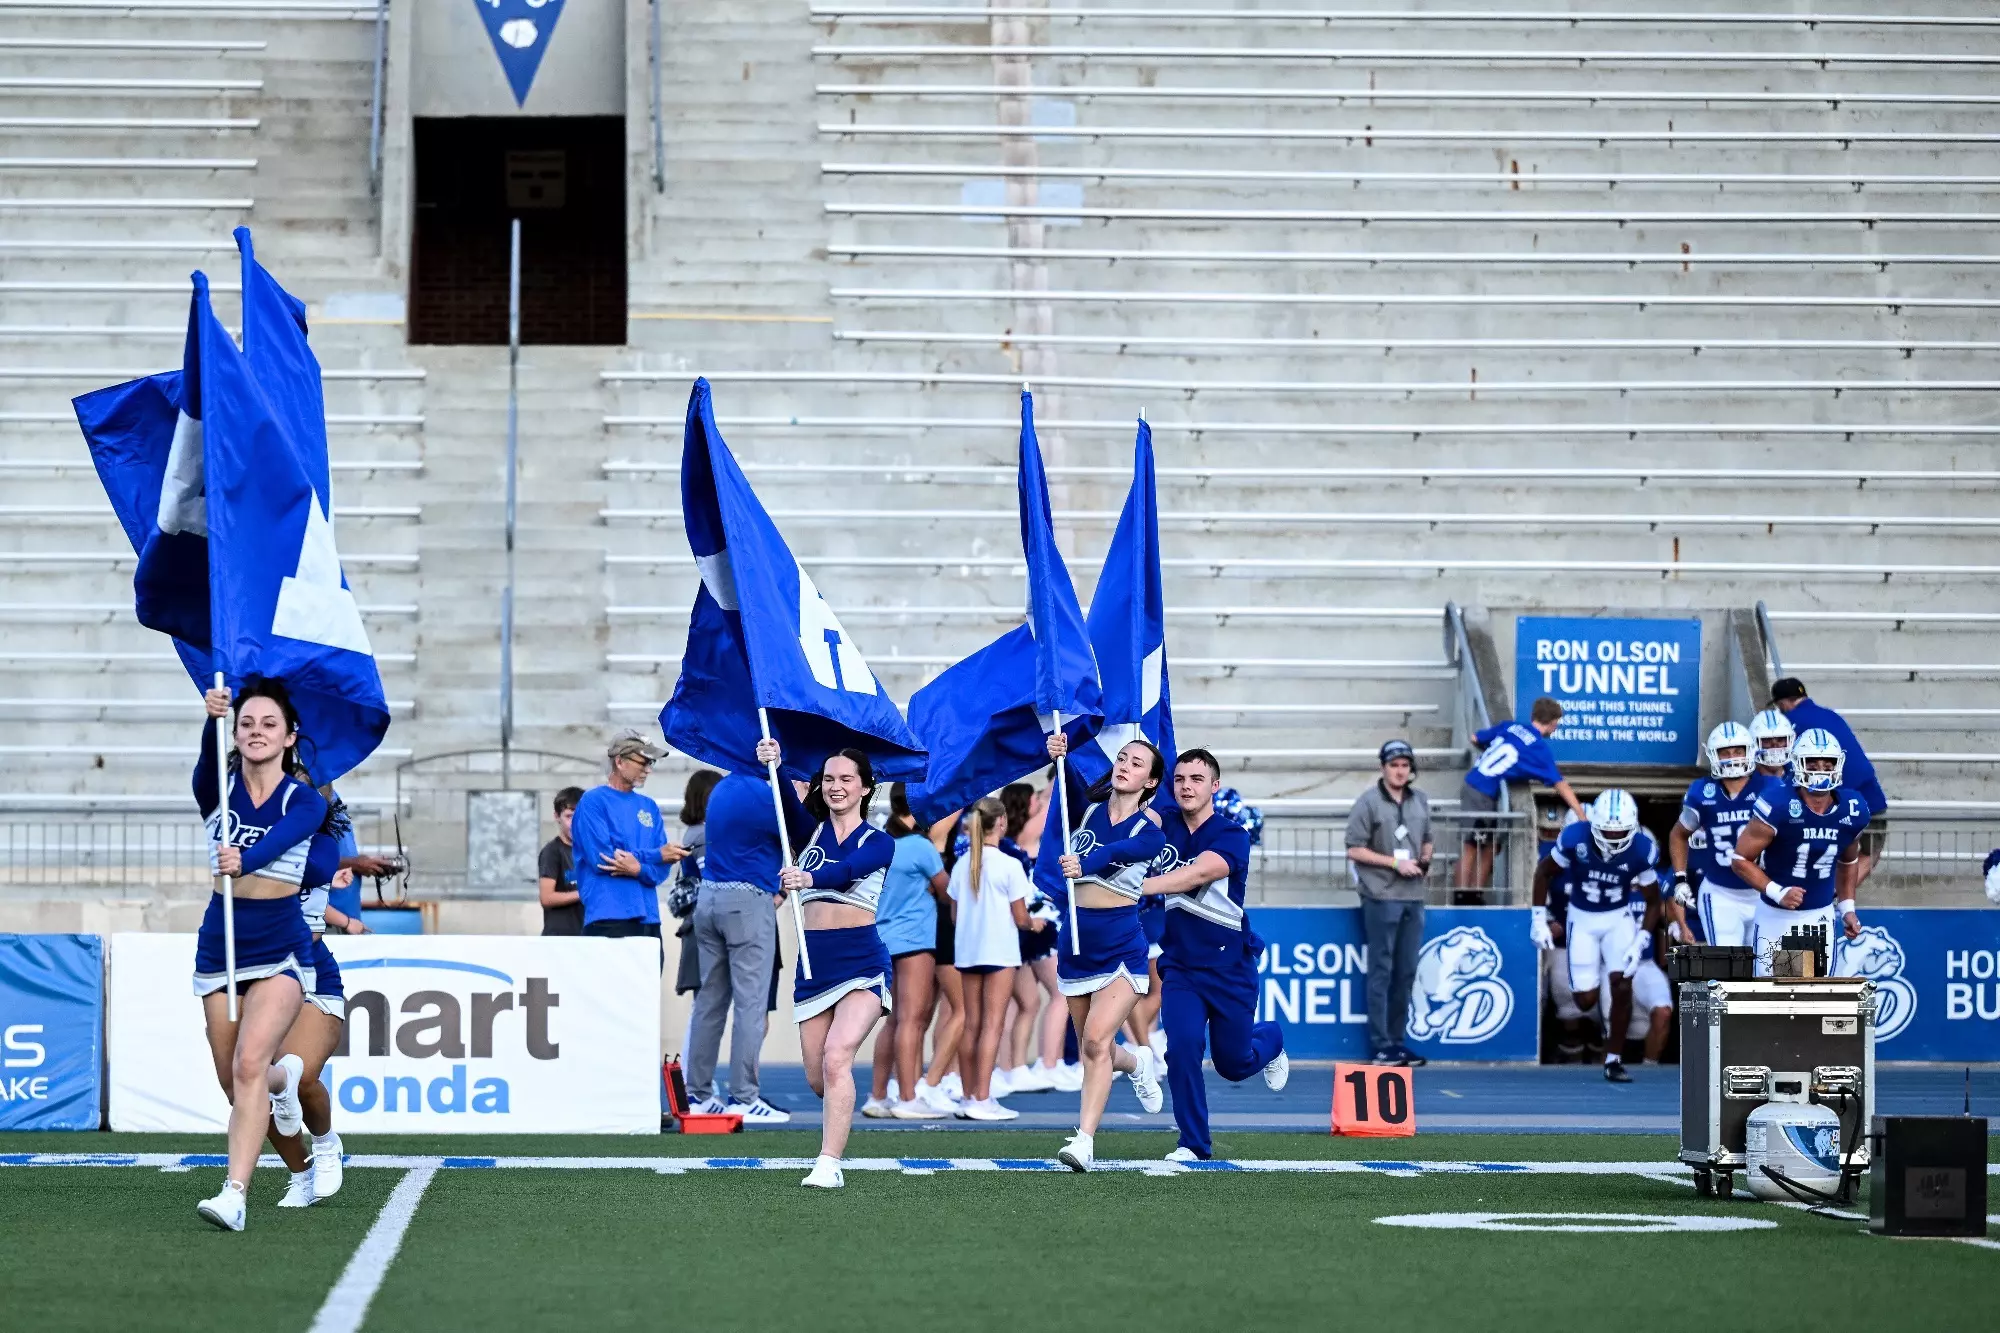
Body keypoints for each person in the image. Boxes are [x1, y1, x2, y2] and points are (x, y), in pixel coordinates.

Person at [191, 680, 328, 1232]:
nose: (256, 732)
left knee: (247, 1064)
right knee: (236, 1079)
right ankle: (285, 1096)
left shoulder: (306, 799)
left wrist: (243, 859)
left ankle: (234, 1194)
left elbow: (283, 838)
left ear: (290, 736)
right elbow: (205, 762)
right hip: (220, 942)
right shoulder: (216, 789)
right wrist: (211, 718)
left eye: (269, 724)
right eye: (246, 723)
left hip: (280, 944)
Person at [1142, 748, 1288, 1162]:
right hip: (1181, 967)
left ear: (1214, 786)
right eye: (1180, 779)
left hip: (1229, 968)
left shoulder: (1232, 834)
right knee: (1182, 1046)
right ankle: (1193, 1143)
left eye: (1197, 779)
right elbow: (1123, 815)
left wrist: (1140, 888)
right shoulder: (1163, 823)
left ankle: (1272, 1041)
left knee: (1234, 1063)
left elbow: (1198, 873)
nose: (1187, 786)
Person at [1041, 732, 1168, 1173]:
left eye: (1137, 763)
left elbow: (1122, 851)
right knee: (1093, 1047)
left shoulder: (1149, 830)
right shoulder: (1089, 810)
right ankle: (1136, 1063)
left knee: (1095, 1041)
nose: (1125, 766)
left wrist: (1087, 864)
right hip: (1076, 942)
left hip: (1119, 945)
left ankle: (1084, 1140)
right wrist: (1056, 755)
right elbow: (1062, 788)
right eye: (1122, 758)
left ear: (1150, 782)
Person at [772, 744, 896, 1189]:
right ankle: (840, 1114)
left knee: (837, 1055)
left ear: (865, 788)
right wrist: (776, 760)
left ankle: (828, 1163)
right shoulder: (806, 832)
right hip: (813, 966)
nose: (836, 786)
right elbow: (781, 794)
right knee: (820, 1077)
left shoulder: (879, 841)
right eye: (829, 779)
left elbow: (848, 871)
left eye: (846, 779)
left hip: (862, 961)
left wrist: (808, 878)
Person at [685, 745, 814, 1124]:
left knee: (710, 1001)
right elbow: (807, 835)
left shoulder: (724, 787)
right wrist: (797, 794)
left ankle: (699, 1094)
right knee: (751, 1005)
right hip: (746, 900)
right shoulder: (770, 793)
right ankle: (743, 1095)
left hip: (709, 898)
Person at [1530, 788, 1660, 1084]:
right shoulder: (1575, 838)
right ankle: (1600, 972)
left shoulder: (1641, 849)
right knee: (1585, 1000)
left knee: (1622, 985)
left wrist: (1641, 939)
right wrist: (1538, 919)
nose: (1613, 839)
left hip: (1618, 918)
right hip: (1583, 919)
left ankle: (1613, 1059)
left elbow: (1654, 902)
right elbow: (1543, 873)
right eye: (1607, 832)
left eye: (1620, 833)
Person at [1730, 728, 1869, 972]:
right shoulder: (1779, 803)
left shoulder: (1852, 808)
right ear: (1798, 764)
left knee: (1809, 1000)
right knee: (1776, 1000)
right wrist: (1777, 891)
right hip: (1778, 915)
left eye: (1828, 763)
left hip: (1818, 915)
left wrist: (1847, 908)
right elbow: (1741, 859)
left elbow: (1848, 860)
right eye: (1813, 763)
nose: (1821, 770)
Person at [949, 795, 1044, 1121]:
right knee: (992, 1024)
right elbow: (1021, 918)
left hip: (967, 951)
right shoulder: (1009, 864)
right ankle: (983, 1098)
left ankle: (968, 1095)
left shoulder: (963, 864)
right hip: (999, 951)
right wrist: (1036, 923)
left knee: (971, 1024)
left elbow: (954, 914)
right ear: (1000, 823)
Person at [1345, 739, 1435, 1066]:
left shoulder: (1420, 800)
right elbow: (1354, 848)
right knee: (1382, 969)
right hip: (1381, 895)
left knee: (1407, 971)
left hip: (1414, 895)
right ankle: (1380, 1044)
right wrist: (1394, 863)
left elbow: (1427, 840)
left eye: (1405, 765)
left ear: (1411, 769)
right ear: (1383, 767)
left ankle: (1397, 1042)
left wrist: (1424, 859)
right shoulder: (1368, 802)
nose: (1400, 771)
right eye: (1394, 765)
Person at [864, 785, 951, 1119]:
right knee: (913, 1021)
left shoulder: (884, 843)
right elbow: (946, 890)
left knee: (893, 1021)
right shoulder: (919, 846)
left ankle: (877, 1095)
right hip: (915, 939)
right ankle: (908, 1097)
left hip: (883, 937)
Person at [571, 731, 688, 949]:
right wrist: (654, 856)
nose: (648, 770)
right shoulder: (593, 801)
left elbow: (661, 870)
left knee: (650, 983)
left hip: (649, 917)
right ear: (620, 761)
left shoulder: (649, 806)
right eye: (643, 762)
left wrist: (638, 869)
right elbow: (602, 858)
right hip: (608, 915)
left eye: (651, 763)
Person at [1459, 697, 1585, 892]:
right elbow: (1560, 784)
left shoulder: (1511, 726)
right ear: (1552, 722)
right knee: (1472, 847)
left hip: (1473, 782)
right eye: (1557, 724)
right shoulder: (1537, 748)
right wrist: (1581, 814)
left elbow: (1475, 738)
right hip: (1482, 792)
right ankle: (1465, 899)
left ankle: (1471, 897)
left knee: (1490, 846)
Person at [1771, 678, 1889, 885]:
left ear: (1782, 704)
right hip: (1870, 798)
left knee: (1820, 855)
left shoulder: (1788, 723)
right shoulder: (1831, 715)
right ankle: (1838, 897)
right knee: (1870, 853)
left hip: (1827, 802)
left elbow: (1788, 766)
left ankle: (1827, 896)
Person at [1668, 722, 1773, 950]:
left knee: (1769, 970)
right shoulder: (1702, 791)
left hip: (1766, 892)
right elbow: (1679, 834)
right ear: (1713, 755)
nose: (1732, 757)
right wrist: (1680, 879)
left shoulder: (1772, 788)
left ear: (1750, 751)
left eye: (1738, 751)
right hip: (1721, 894)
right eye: (1725, 752)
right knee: (1730, 971)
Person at [997, 781, 1061, 1095]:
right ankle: (1045, 1064)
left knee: (1023, 1002)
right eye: (1034, 798)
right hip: (1033, 925)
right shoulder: (1027, 833)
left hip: (1019, 925)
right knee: (1056, 993)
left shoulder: (1008, 835)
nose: (1040, 801)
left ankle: (1011, 1068)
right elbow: (1054, 806)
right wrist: (1061, 765)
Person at [670, 770, 721, 1007]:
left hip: (697, 923)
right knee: (707, 1007)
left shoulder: (693, 832)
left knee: (704, 1005)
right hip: (705, 924)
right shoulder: (703, 834)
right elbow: (714, 878)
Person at [537, 786, 585, 936]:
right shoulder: (552, 852)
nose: (575, 823)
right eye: (569, 816)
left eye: (580, 816)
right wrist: (584, 893)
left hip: (587, 937)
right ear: (557, 816)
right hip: (559, 940)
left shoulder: (590, 851)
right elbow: (546, 898)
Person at [1749, 707, 1796, 782]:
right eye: (1767, 741)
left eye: (1780, 740)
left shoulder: (1797, 778)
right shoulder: (1744, 783)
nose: (1775, 746)